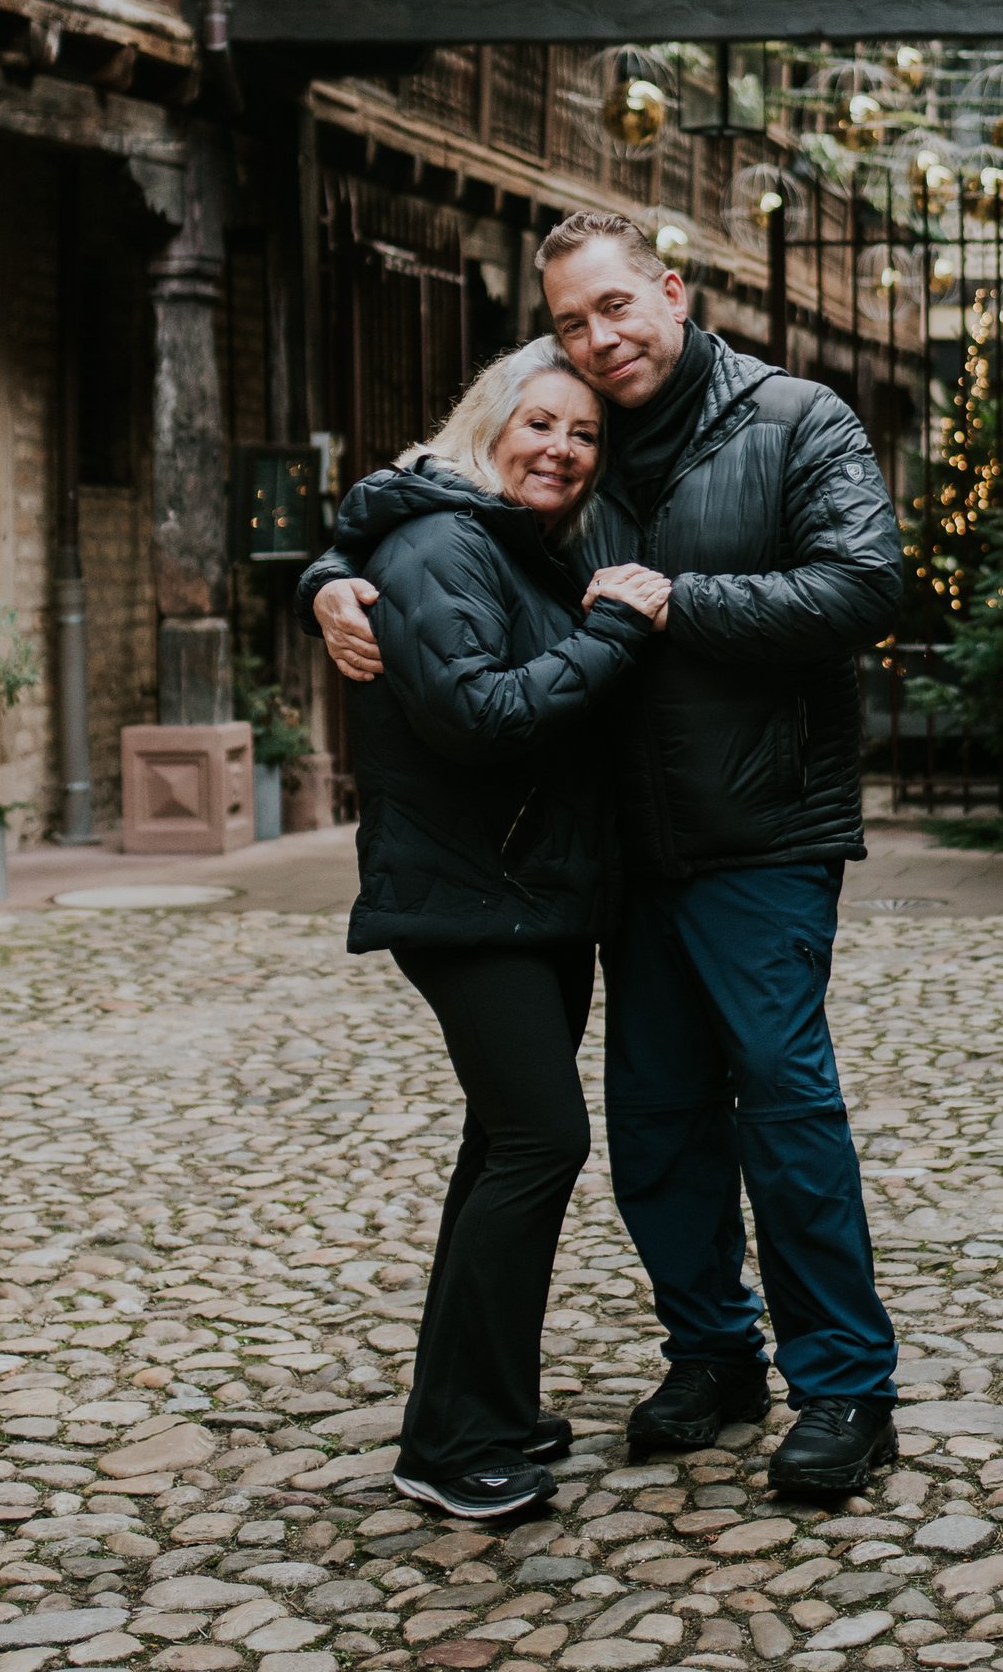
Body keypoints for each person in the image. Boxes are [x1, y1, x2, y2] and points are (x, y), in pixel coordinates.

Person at [311, 213, 906, 1501]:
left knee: (784, 1105)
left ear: (672, 291)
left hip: (761, 831)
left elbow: (866, 584)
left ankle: (847, 1384)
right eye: (573, 321)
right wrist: (330, 573)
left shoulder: (797, 418)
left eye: (617, 306)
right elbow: (430, 497)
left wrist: (677, 600)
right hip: (623, 852)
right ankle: (713, 1353)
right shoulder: (582, 431)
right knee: (654, 1120)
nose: (600, 338)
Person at [297, 335, 670, 1525]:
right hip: (472, 896)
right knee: (540, 1140)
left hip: (527, 890)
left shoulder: (508, 540)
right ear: (487, 423)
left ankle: (484, 1407)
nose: (562, 448)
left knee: (503, 1145)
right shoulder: (445, 539)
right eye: (541, 422)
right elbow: (478, 713)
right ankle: (450, 1444)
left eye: (584, 433)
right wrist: (615, 630)